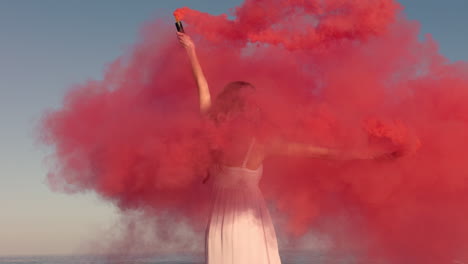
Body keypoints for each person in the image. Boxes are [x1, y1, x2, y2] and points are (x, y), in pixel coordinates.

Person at [177, 32, 399, 264]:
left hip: (221, 223)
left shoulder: (213, 131)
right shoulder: (259, 143)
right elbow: (326, 153)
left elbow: (202, 87)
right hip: (249, 223)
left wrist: (190, 49)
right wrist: (373, 156)